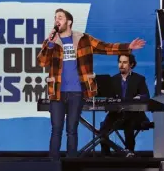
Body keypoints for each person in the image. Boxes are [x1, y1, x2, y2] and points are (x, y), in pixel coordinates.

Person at [37, 8, 145, 160]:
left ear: (69, 22)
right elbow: (42, 62)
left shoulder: (83, 39)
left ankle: (71, 162)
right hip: (57, 92)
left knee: (72, 129)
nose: (57, 20)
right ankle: (53, 163)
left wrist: (128, 47)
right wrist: (49, 45)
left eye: (60, 17)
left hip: (76, 91)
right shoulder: (52, 42)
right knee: (56, 129)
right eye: (55, 17)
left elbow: (105, 47)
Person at [100, 54, 150, 157]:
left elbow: (146, 96)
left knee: (129, 122)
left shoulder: (139, 79)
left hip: (134, 114)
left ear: (131, 64)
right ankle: (106, 155)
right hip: (116, 114)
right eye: (120, 62)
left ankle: (129, 152)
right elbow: (109, 98)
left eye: (124, 62)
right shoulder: (113, 80)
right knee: (103, 129)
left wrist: (139, 98)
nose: (121, 65)